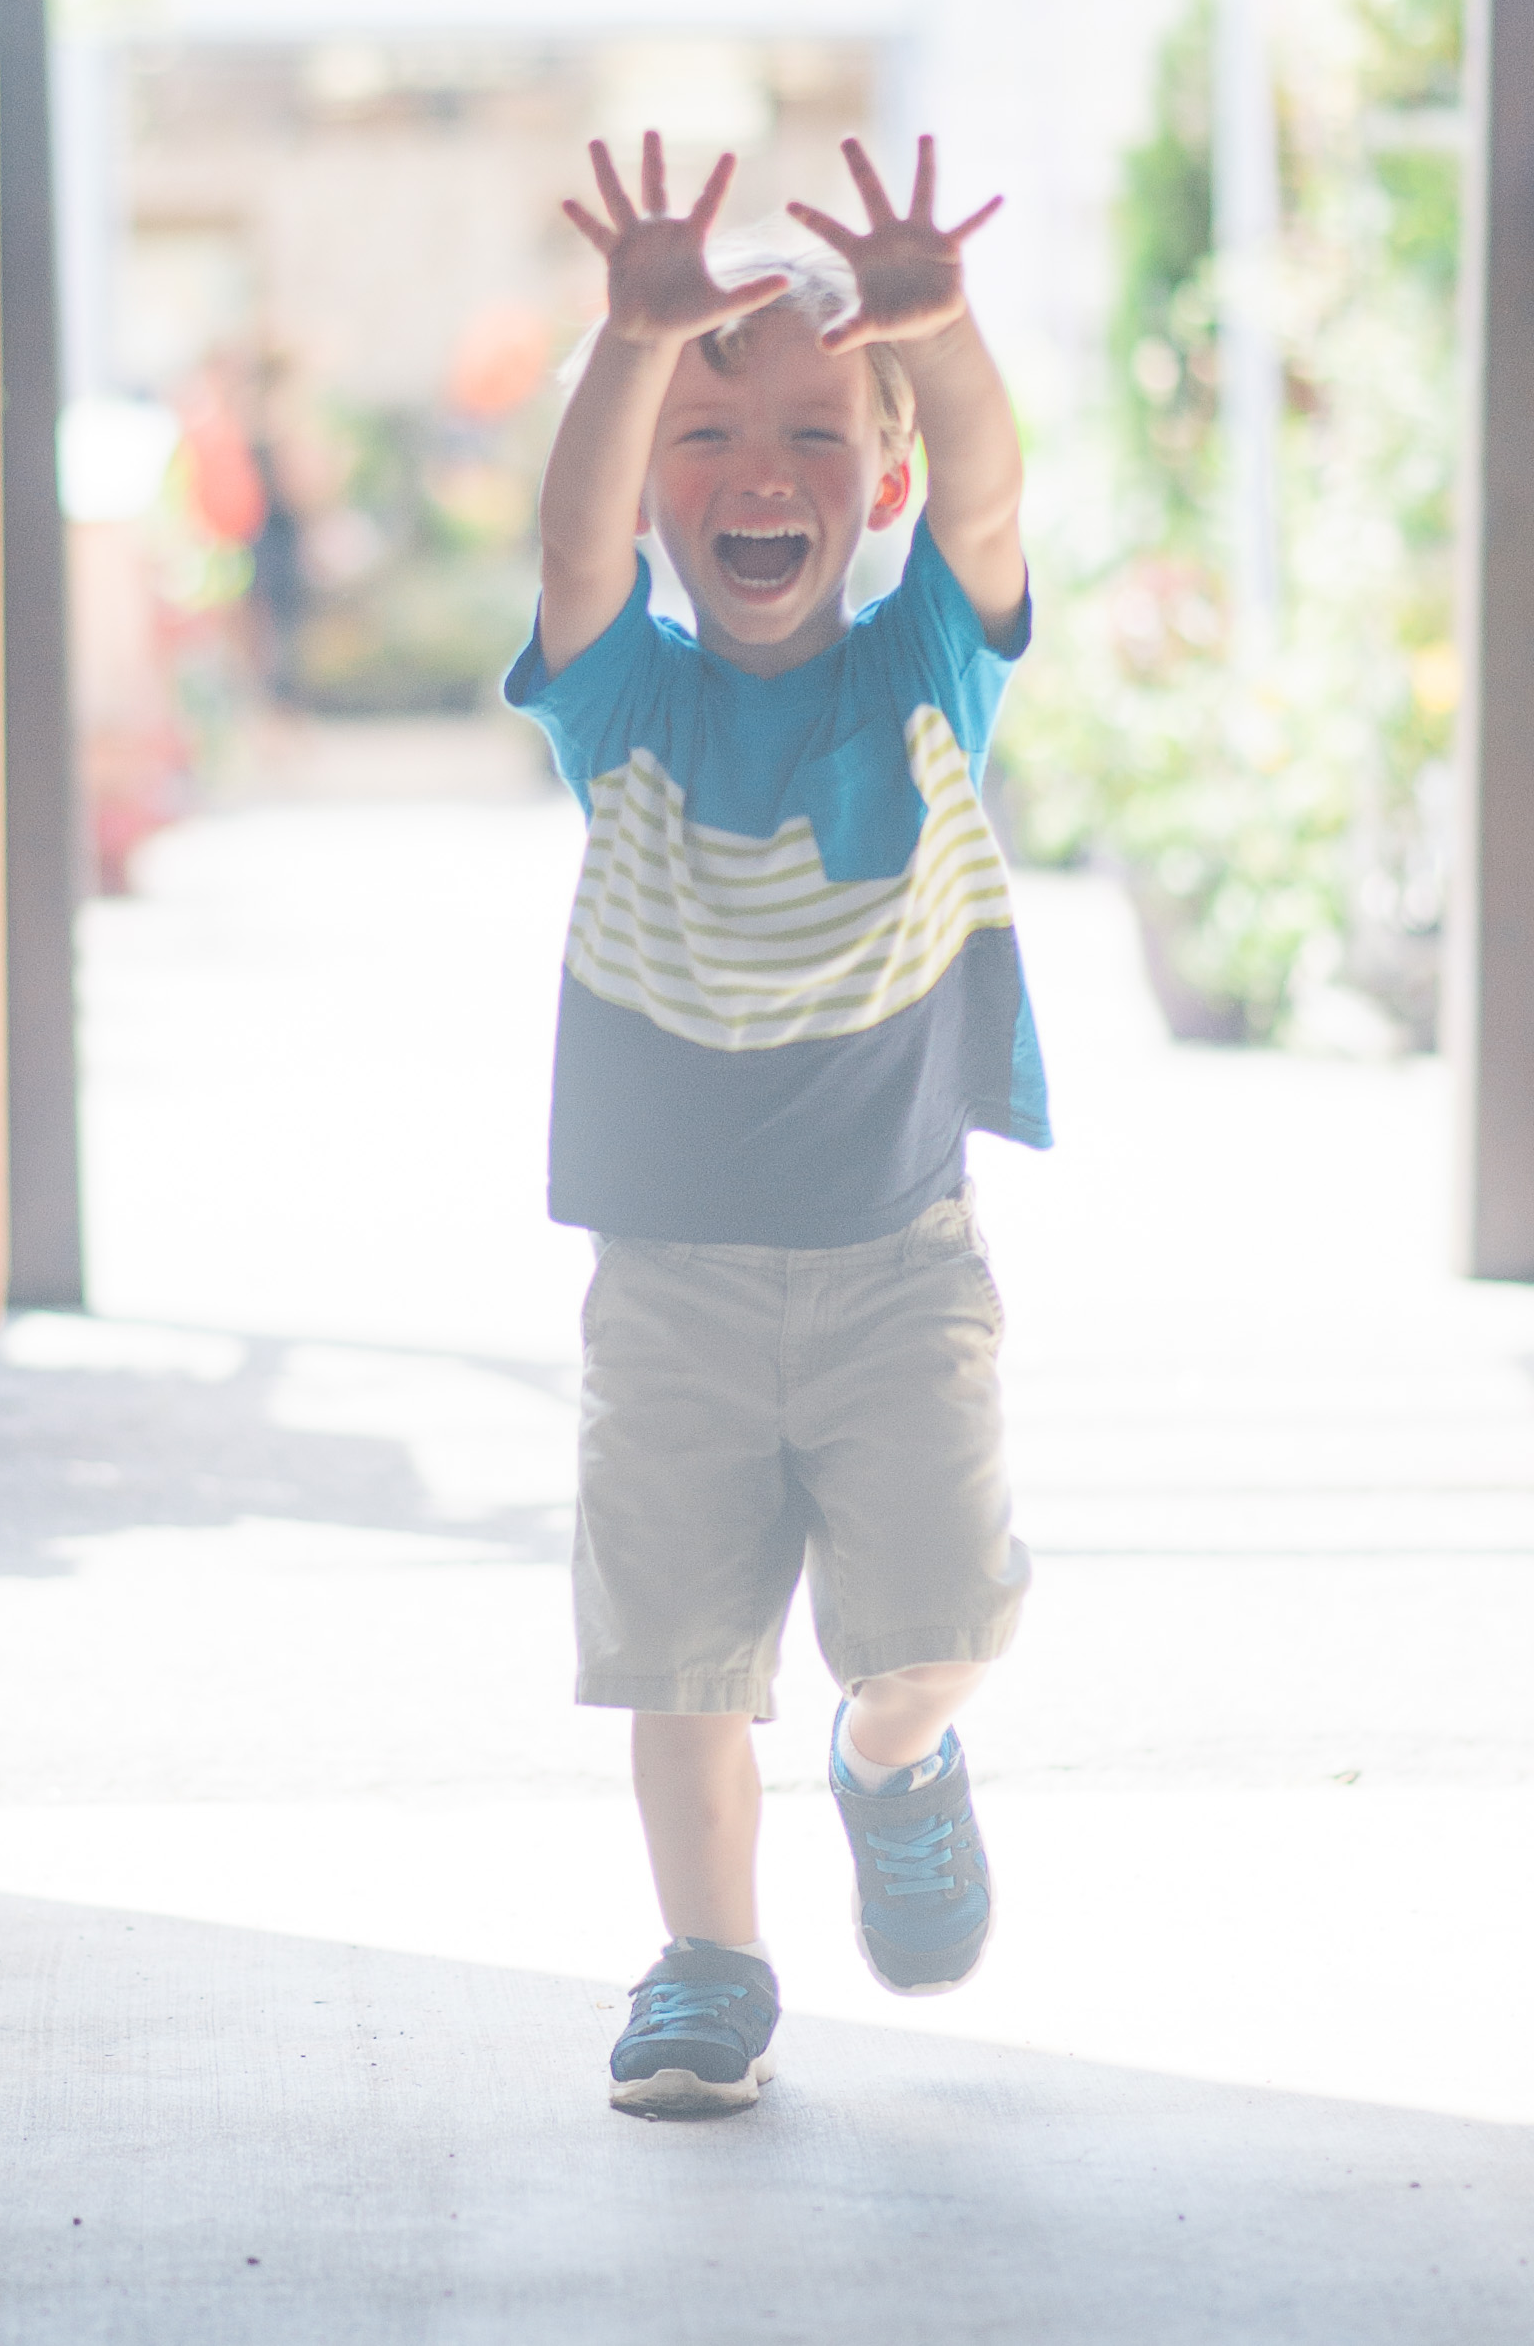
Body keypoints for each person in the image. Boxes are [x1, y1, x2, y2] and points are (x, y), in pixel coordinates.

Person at [505, 127, 1049, 2119]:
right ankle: (705, 1965)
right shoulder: (621, 701)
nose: (758, 475)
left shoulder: (919, 667)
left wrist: (943, 331)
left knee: (927, 1631)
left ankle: (892, 1759)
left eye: (815, 439)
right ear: (656, 485)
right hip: (669, 1285)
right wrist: (625, 344)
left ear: (877, 485)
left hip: (900, 1258)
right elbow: (566, 554)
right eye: (704, 435)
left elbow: (990, 491)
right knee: (679, 1662)